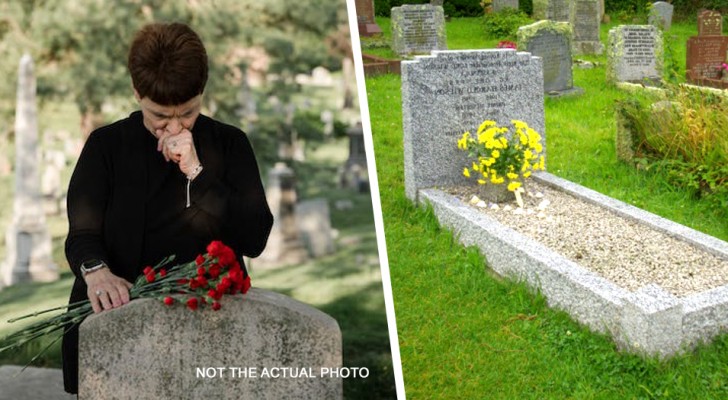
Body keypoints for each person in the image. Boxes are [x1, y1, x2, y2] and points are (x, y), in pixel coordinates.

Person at [62, 22, 273, 394]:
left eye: (188, 112)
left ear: (202, 92)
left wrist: (197, 172)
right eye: (160, 115)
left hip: (207, 328)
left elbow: (254, 237)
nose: (175, 126)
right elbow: (82, 235)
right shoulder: (105, 146)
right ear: (136, 93)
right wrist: (97, 273)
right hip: (118, 327)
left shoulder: (230, 143)